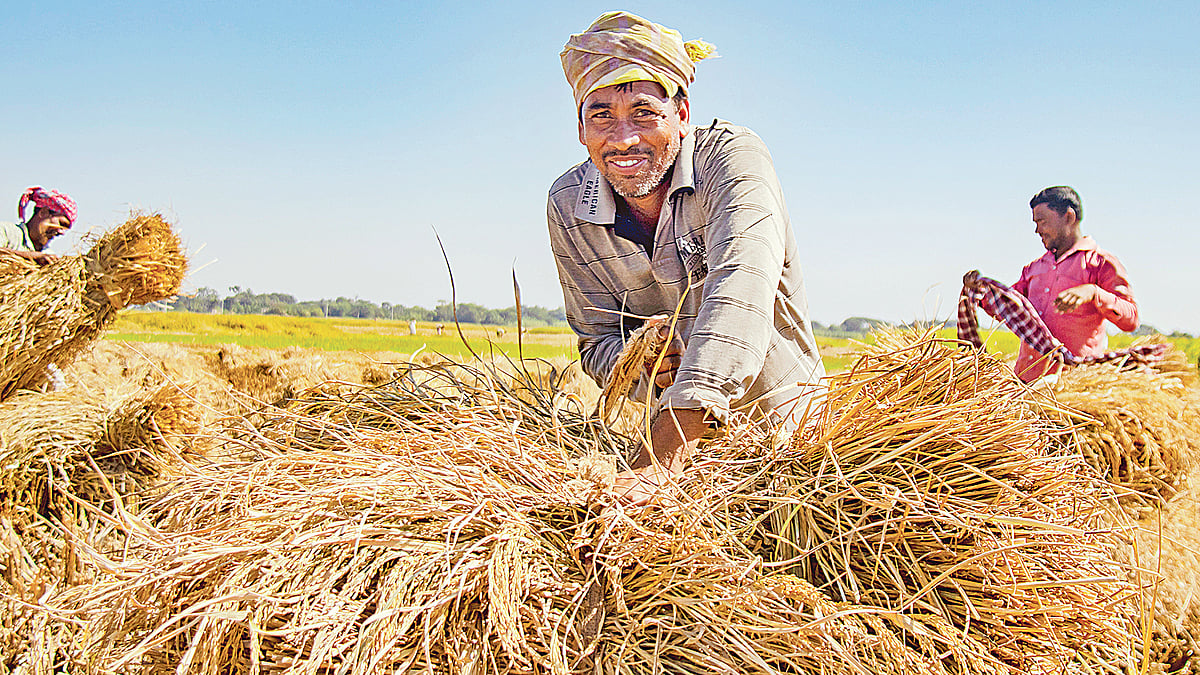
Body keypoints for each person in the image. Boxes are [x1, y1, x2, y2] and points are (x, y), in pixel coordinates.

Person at [548, 12, 824, 505]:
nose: (624, 137)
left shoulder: (733, 160)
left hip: (791, 456)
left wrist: (661, 457)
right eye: (602, 115)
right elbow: (595, 340)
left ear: (682, 113)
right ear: (580, 127)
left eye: (645, 112)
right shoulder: (569, 205)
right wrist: (638, 360)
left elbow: (741, 292)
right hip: (673, 454)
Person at [1010, 186, 1139, 381]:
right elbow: (1007, 305)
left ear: (1069, 217)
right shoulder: (1035, 268)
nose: (1037, 230)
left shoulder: (1100, 263)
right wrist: (981, 292)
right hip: (1025, 384)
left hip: (1072, 390)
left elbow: (1132, 319)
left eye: (1042, 222)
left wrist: (1094, 293)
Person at [0, 186, 77, 266]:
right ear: (43, 212)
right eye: (61, 223)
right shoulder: (7, 232)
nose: (61, 232)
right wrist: (31, 256)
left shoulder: (48, 255)